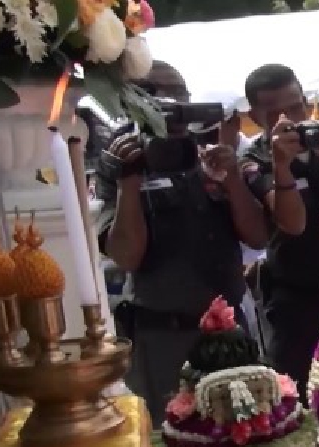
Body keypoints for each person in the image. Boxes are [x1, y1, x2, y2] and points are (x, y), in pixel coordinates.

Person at [96, 61, 268, 428]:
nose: (169, 104)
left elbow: (257, 236)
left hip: (229, 335)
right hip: (162, 339)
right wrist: (130, 182)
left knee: (245, 438)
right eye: (154, 95)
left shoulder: (211, 151)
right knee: (174, 446)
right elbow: (126, 255)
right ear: (132, 103)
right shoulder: (119, 159)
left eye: (178, 96)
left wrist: (233, 181)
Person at [240, 64, 319, 397]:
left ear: (307, 102)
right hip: (293, 300)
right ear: (254, 116)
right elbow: (292, 222)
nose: (289, 120)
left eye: (295, 107)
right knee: (296, 397)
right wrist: (282, 165)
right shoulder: (255, 158)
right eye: (275, 113)